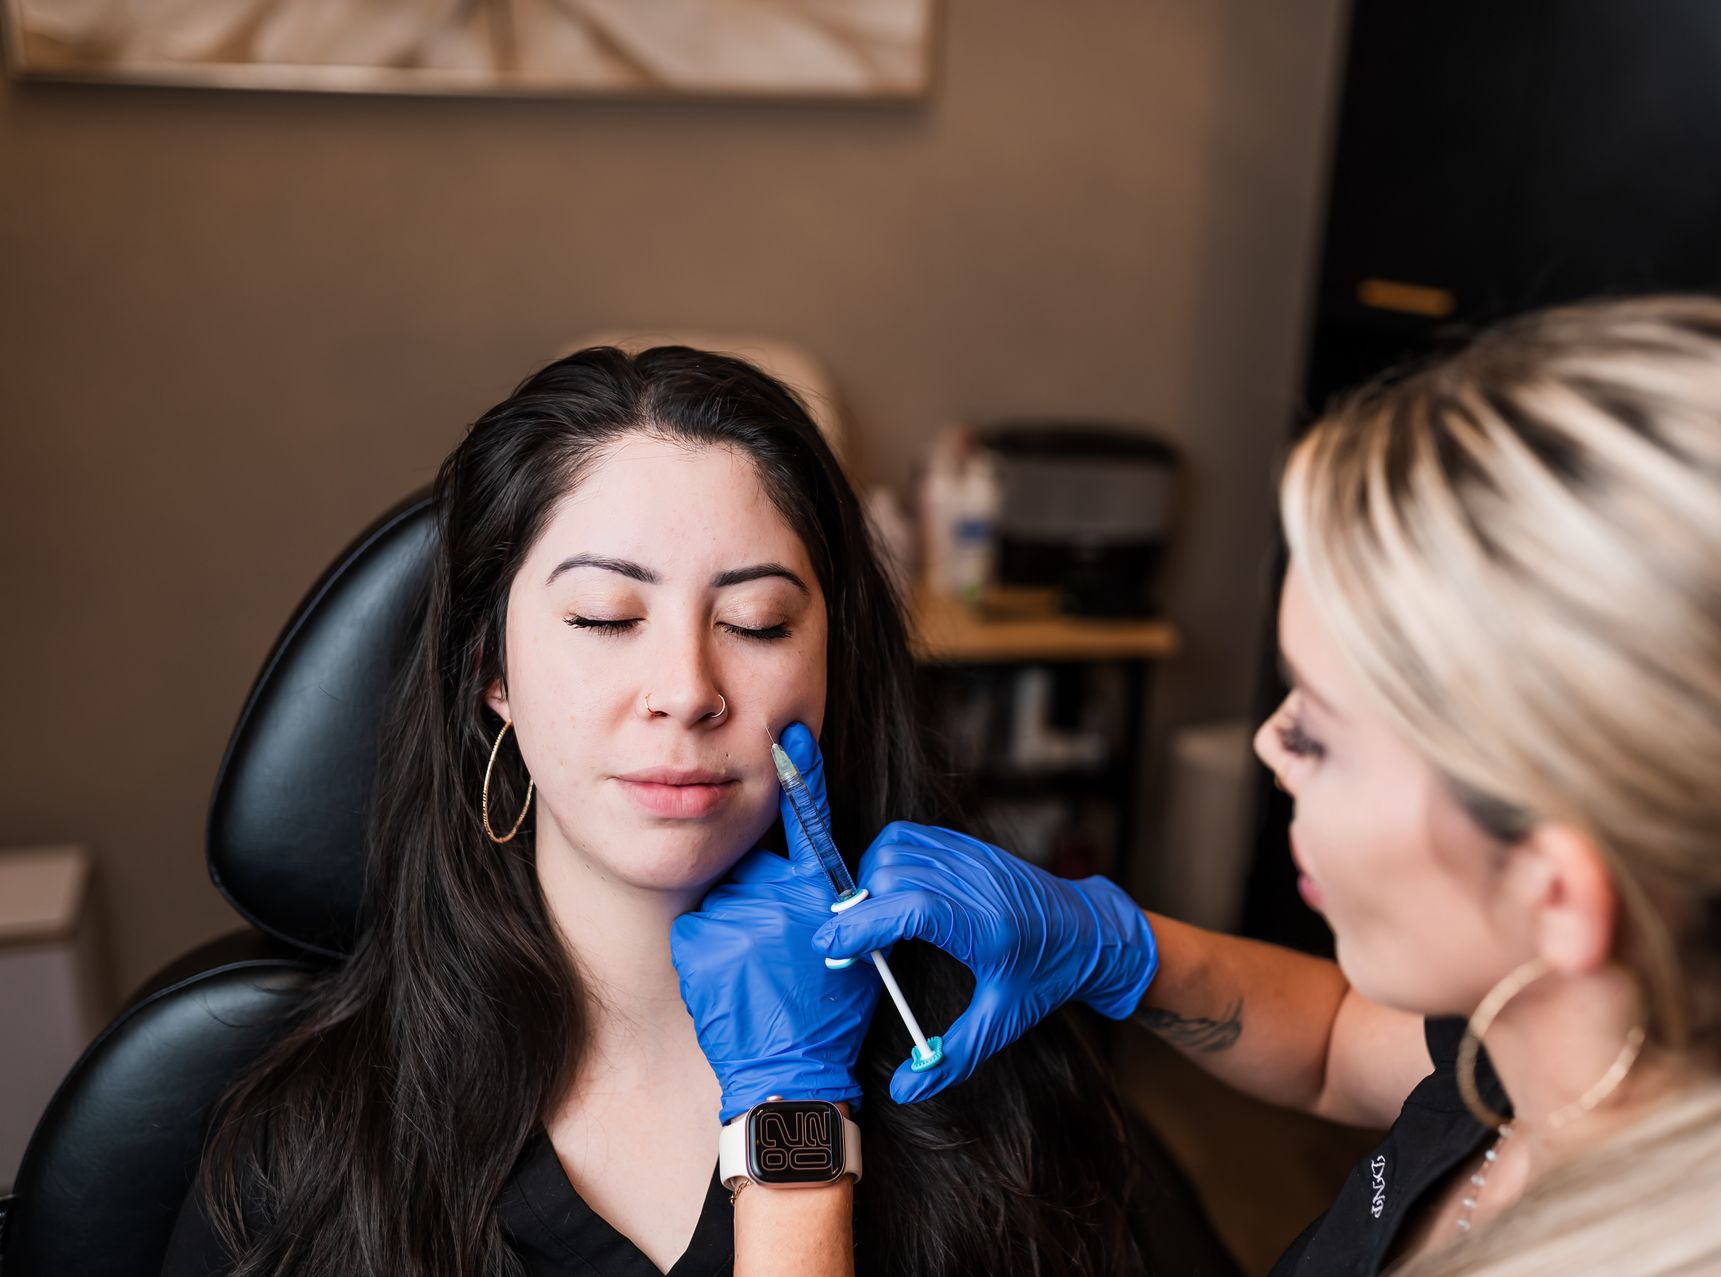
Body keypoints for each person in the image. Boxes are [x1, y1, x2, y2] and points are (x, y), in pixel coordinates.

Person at [753, 297, 1721, 1275]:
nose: (1269, 744)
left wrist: (787, 1126)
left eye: (1319, 728)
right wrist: (1115, 943)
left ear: (1559, 889)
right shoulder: (1609, 1038)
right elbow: (1339, 1042)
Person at [161, 346, 1235, 1277]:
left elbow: (1376, 1059)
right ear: (489, 666)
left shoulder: (982, 1084)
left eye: (758, 622)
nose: (686, 685)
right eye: (604, 614)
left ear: (830, 665)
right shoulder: (304, 1149)